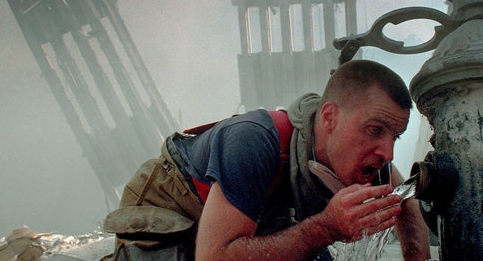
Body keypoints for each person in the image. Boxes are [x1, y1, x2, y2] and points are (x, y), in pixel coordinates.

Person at [103, 59, 431, 261]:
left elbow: (402, 196)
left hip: (246, 217)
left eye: (395, 137)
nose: (387, 152)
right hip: (172, 200)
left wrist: (416, 257)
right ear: (330, 118)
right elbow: (215, 257)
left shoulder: (365, 155)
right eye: (375, 130)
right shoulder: (254, 141)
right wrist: (326, 227)